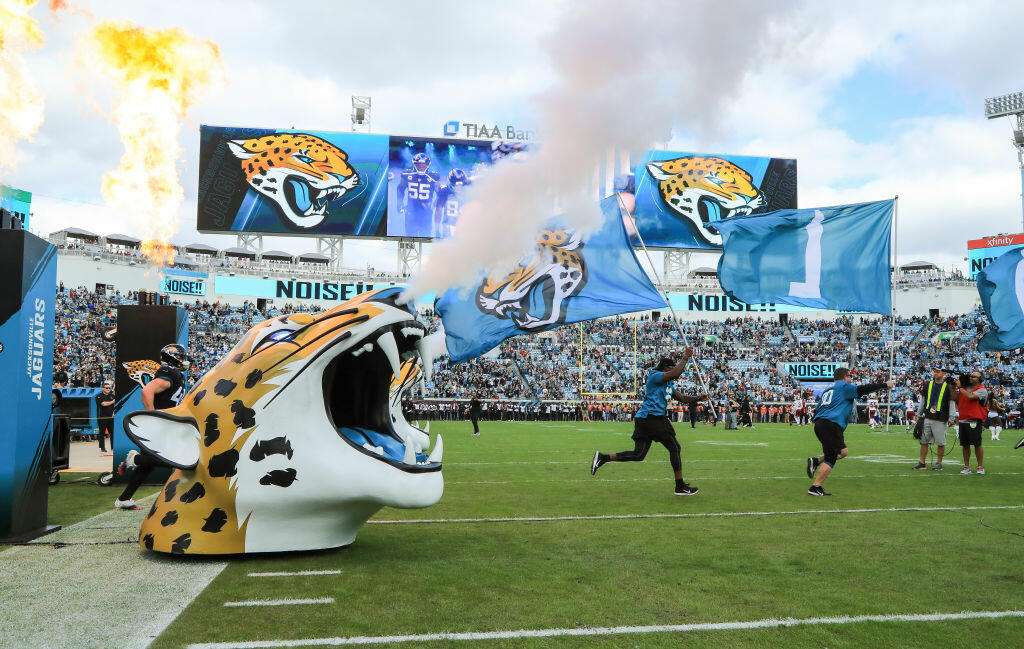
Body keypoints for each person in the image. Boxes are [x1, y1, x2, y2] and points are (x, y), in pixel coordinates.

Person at [591, 348, 704, 496]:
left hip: (645, 419)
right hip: (652, 417)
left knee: (638, 455)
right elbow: (676, 372)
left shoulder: (668, 385)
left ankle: (603, 458)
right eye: (672, 368)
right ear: (666, 368)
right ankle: (680, 486)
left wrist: (699, 398)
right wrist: (685, 358)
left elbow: (682, 398)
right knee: (675, 448)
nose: (678, 373)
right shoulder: (655, 375)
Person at [114, 344, 189, 510]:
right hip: (160, 424)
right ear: (173, 356)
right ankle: (134, 459)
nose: (184, 360)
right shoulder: (168, 372)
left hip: (166, 423)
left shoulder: (176, 374)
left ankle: (124, 499)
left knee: (148, 466)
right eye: (181, 357)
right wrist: (152, 415)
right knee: (176, 459)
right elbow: (147, 391)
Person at [805, 368, 892, 496]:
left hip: (822, 423)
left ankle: (816, 461)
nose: (851, 378)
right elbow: (863, 389)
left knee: (843, 452)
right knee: (831, 457)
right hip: (831, 423)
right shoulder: (844, 385)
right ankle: (815, 487)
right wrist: (885, 385)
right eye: (850, 376)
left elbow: (818, 408)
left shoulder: (829, 388)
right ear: (845, 377)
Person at [914, 367, 957, 471]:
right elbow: (923, 400)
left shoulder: (948, 387)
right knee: (923, 441)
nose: (935, 373)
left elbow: (951, 403)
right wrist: (919, 413)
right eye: (935, 371)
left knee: (940, 442)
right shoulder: (928, 384)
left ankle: (939, 463)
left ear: (943, 373)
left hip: (941, 418)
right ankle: (922, 462)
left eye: (938, 371)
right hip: (928, 416)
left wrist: (952, 418)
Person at [957, 371, 987, 475]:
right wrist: (953, 387)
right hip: (962, 419)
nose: (971, 378)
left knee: (977, 444)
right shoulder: (964, 389)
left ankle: (980, 466)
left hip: (974, 420)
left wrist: (960, 387)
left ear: (980, 379)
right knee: (965, 445)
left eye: (974, 376)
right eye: (970, 376)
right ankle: (966, 466)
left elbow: (971, 397)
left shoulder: (982, 390)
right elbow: (954, 398)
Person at [94, 381, 116, 452]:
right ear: (103, 388)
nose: (108, 389)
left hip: (111, 417)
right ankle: (102, 448)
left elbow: (115, 406)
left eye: (109, 388)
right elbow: (103, 404)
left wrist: (114, 413)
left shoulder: (112, 396)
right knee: (102, 433)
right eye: (106, 388)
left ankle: (113, 447)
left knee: (112, 433)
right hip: (102, 417)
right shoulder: (99, 396)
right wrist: (112, 402)